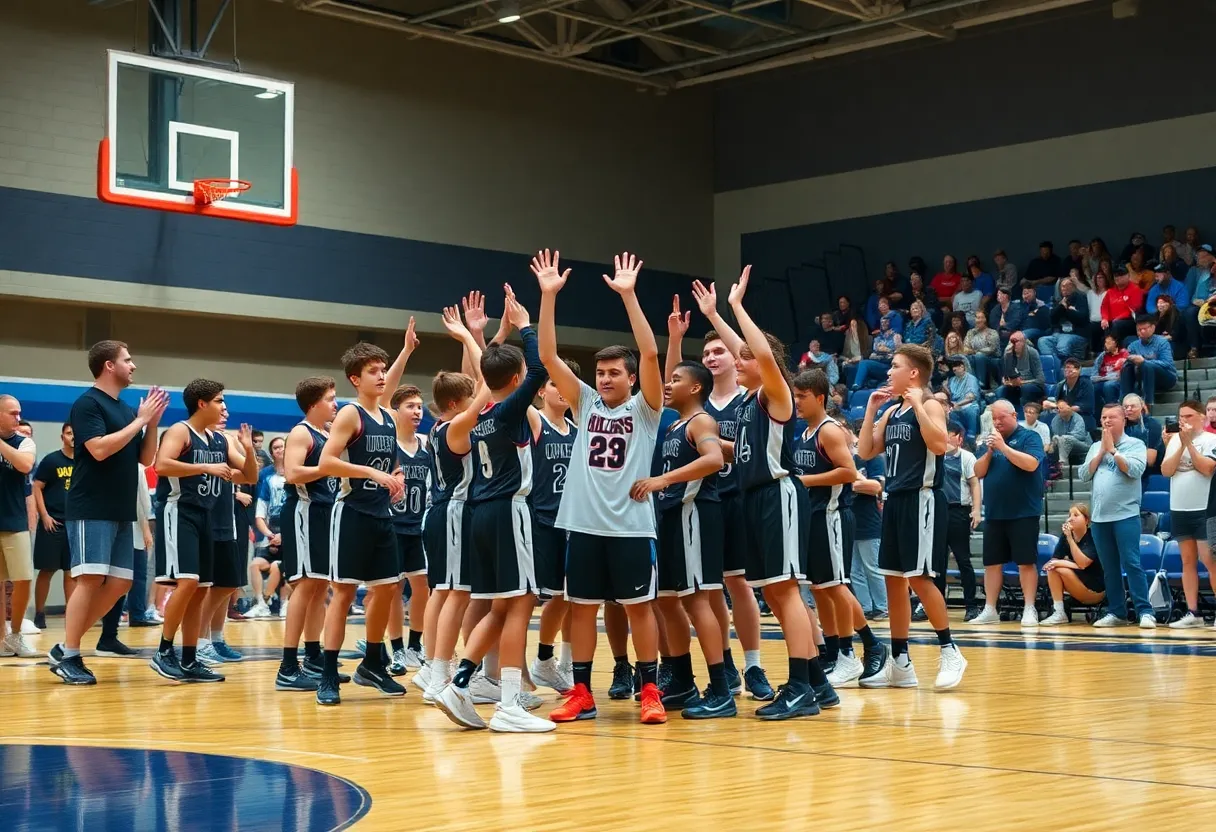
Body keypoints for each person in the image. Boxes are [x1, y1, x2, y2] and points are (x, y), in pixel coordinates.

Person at [536, 251, 668, 725]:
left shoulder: (645, 410)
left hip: (632, 527)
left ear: (632, 380)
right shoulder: (585, 404)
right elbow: (548, 355)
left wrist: (629, 296)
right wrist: (548, 297)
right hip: (585, 526)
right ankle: (581, 692)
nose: (605, 379)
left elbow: (651, 352)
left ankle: (649, 688)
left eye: (615, 373)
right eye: (601, 373)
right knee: (581, 610)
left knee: (639, 610)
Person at [708, 266, 838, 718]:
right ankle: (817, 683)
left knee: (785, 593)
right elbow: (744, 351)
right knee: (777, 594)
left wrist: (738, 306)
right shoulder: (746, 401)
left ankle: (802, 685)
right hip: (753, 500)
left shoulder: (775, 394)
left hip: (778, 494)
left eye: (742, 358)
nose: (736, 360)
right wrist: (716, 313)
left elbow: (759, 354)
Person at [668, 293, 773, 699]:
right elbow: (670, 380)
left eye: (719, 351)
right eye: (706, 352)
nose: (712, 357)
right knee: (708, 588)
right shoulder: (697, 404)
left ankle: (754, 664)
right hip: (705, 503)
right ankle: (724, 664)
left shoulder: (750, 397)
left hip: (741, 500)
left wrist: (715, 313)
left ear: (735, 356)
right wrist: (676, 338)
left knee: (739, 583)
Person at [50, 341, 169, 685]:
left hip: (120, 509)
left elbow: (145, 459)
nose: (133, 366)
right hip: (91, 507)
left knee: (119, 583)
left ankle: (64, 647)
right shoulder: (87, 403)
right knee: (88, 580)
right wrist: (140, 421)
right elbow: (99, 450)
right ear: (108, 365)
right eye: (127, 360)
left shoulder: (128, 409)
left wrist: (150, 424)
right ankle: (71, 654)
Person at [630, 359, 737, 719]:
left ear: (695, 388)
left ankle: (722, 688)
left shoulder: (702, 421)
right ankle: (682, 680)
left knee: (695, 602)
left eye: (676, 379)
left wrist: (664, 480)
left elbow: (713, 460)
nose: (668, 384)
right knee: (665, 602)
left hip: (694, 514)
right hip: (670, 518)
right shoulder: (674, 425)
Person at [857, 343, 966, 690]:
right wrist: (873, 411)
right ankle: (901, 660)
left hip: (923, 499)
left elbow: (939, 446)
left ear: (914, 373)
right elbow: (865, 450)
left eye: (895, 365)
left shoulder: (931, 404)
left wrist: (919, 402)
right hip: (894, 499)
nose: (889, 371)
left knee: (920, 579)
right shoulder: (891, 411)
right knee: (893, 581)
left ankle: (950, 650)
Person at [315, 343, 409, 705]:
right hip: (351, 512)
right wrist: (370, 472)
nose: (382, 375)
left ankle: (372, 662)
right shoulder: (350, 414)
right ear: (356, 379)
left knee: (387, 590)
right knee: (342, 593)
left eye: (384, 369)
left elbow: (390, 463)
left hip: (381, 514)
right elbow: (326, 462)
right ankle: (327, 672)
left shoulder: (388, 417)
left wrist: (395, 479)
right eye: (374, 370)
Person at [149, 381, 258, 683]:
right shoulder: (180, 431)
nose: (225, 407)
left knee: (201, 590)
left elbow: (249, 476)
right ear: (201, 404)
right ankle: (163, 651)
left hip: (206, 517)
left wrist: (248, 450)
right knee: (188, 583)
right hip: (179, 512)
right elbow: (161, 465)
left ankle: (188, 658)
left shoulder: (220, 440)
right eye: (219, 401)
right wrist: (205, 468)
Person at [791, 370, 887, 691]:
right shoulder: (804, 433)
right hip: (813, 516)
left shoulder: (829, 431)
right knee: (820, 589)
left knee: (836, 586)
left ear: (819, 398)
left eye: (802, 396)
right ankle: (834, 653)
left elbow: (848, 473)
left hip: (833, 516)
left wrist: (803, 481)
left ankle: (863, 647)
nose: (796, 402)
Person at [274, 376, 340, 692]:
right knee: (304, 585)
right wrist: (328, 468)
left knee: (319, 585)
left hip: (325, 513)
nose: (335, 403)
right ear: (314, 404)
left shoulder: (325, 434)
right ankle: (288, 665)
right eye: (330, 398)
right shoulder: (301, 432)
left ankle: (313, 656)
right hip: (305, 510)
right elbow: (292, 472)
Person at [526, 359, 579, 696]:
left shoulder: (578, 430)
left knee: (571, 598)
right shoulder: (536, 420)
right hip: (538, 520)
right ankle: (503, 672)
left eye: (567, 383)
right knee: (527, 598)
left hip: (572, 523)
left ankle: (557, 662)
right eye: (555, 383)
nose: (561, 389)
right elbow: (501, 386)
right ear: (542, 390)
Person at [970, 401, 1046, 628]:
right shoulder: (990, 441)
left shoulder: (1029, 438)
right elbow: (978, 471)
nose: (997, 422)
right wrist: (991, 451)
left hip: (1024, 511)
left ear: (1014, 415)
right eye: (993, 419)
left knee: (1026, 562)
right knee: (992, 563)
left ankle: (1029, 608)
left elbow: (1031, 464)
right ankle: (990, 608)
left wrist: (1003, 447)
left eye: (1001, 418)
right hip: (994, 512)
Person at [1079, 403, 1155, 629]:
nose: (1107, 421)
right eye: (1103, 417)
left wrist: (1113, 450)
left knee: (1132, 563)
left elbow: (1135, 470)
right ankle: (1117, 612)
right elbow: (1084, 474)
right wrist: (1102, 450)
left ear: (1123, 420)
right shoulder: (1094, 447)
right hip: (1100, 517)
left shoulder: (1135, 444)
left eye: (1112, 417)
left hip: (1126, 514)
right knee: (1109, 567)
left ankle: (1145, 611)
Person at [1160, 401, 1216, 629]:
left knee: (1210, 561)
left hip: (1204, 509)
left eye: (1189, 416)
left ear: (1203, 417)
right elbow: (1166, 470)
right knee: (1187, 561)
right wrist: (1180, 444)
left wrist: (1189, 446)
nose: (1184, 420)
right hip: (1179, 508)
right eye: (1181, 416)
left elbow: (1207, 468)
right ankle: (1193, 612)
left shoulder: (1211, 440)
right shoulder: (1174, 440)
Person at [0, 395, 38, 658]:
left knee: (24, 578)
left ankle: (16, 634)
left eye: (19, 413)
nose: (17, 417)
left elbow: (25, 465)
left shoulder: (24, 441)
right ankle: (2, 638)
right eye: (12, 413)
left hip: (15, 521)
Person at [32, 422, 73, 631]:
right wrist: (44, 515)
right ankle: (39, 613)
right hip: (52, 522)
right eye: (68, 433)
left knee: (71, 572)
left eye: (76, 433)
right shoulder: (52, 460)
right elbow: (37, 487)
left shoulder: (85, 462)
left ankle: (72, 613)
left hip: (74, 524)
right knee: (47, 570)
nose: (73, 436)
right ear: (62, 437)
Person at [938, 423, 980, 620]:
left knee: (963, 560)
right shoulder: (933, 455)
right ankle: (936, 605)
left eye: (949, 435)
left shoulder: (966, 457)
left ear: (959, 438)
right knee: (937, 563)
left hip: (958, 511)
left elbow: (974, 484)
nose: (945, 439)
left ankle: (971, 605)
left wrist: (976, 510)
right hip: (937, 511)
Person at [1038, 504, 1104, 625]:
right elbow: (1053, 562)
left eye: (1076, 515)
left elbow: (1084, 563)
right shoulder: (1065, 537)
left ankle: (1060, 611)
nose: (1071, 518)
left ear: (1086, 520)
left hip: (1096, 589)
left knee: (1060, 569)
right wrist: (1063, 561)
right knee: (1053, 569)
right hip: (1076, 585)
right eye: (1069, 515)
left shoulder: (1093, 536)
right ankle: (1058, 612)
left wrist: (1069, 540)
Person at [848, 422, 887, 620]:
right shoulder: (843, 458)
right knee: (854, 570)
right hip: (849, 520)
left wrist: (849, 483)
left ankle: (881, 606)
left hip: (869, 520)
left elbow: (876, 487)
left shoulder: (874, 459)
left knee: (873, 568)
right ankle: (865, 607)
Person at [248, 437, 287, 617]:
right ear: (271, 453)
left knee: (278, 566)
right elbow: (260, 514)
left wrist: (285, 536)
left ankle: (281, 602)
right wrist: (270, 535)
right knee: (255, 564)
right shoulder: (267, 478)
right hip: (272, 532)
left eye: (283, 446)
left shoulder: (296, 474)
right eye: (276, 447)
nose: (280, 450)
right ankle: (261, 603)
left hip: (291, 532)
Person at [1121, 315, 1176, 405]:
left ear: (1153, 328)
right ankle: (1124, 401)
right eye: (1139, 329)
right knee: (1127, 366)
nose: (1141, 332)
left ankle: (1148, 403)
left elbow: (1167, 364)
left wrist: (1144, 361)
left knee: (1146, 365)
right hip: (1143, 376)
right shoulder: (1133, 345)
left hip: (1166, 376)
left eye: (1144, 329)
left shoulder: (1162, 342)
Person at [1038, 276, 1090, 361]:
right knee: (1043, 341)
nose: (1064, 288)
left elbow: (1082, 319)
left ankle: (1062, 367)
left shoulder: (1081, 298)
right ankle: (1054, 364)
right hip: (1059, 334)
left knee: (1063, 344)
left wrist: (1068, 311)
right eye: (1062, 286)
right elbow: (1052, 319)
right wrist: (1061, 307)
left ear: (1073, 286)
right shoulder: (1060, 301)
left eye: (1068, 285)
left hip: (1076, 334)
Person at [995, 331, 1046, 410]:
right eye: (1011, 342)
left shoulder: (1032, 352)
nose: (1013, 345)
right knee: (1001, 390)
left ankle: (1024, 416)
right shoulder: (1008, 353)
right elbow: (1005, 375)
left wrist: (1021, 383)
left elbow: (1041, 380)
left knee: (1025, 388)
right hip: (1015, 386)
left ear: (1023, 342)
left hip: (1033, 386)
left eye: (1015, 341)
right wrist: (1005, 381)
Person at [1100, 267, 1143, 346]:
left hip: (1130, 321)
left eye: (1120, 275)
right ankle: (1107, 349)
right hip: (1113, 321)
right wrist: (1105, 319)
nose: (1117, 278)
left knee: (1116, 324)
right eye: (1115, 276)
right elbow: (1104, 306)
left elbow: (1134, 309)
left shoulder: (1135, 289)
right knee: (1105, 325)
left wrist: (1117, 318)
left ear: (1128, 276)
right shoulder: (1111, 291)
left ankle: (1116, 349)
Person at [963, 310, 1001, 389]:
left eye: (981, 318)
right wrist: (972, 352)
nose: (978, 320)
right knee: (967, 358)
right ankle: (972, 383)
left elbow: (992, 349)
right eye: (977, 318)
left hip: (991, 358)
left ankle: (981, 382)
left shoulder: (992, 332)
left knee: (979, 356)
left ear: (986, 319)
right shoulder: (970, 332)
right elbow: (965, 348)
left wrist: (975, 351)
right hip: (974, 356)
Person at [944, 357, 981, 437]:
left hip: (968, 404)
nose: (954, 368)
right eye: (953, 367)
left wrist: (958, 404)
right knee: (947, 411)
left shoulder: (971, 379)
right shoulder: (952, 380)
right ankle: (954, 435)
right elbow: (950, 395)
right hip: (954, 405)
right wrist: (945, 387)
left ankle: (971, 436)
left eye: (956, 366)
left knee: (971, 409)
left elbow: (971, 397)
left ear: (962, 367)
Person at [1092, 334, 1129, 407]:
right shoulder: (1103, 356)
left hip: (1118, 380)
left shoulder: (1124, 353)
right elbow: (1096, 368)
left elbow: (1126, 367)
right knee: (1093, 387)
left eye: (1108, 343)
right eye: (1105, 343)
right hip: (1104, 379)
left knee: (1108, 385)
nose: (1106, 345)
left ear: (1115, 342)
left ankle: (1112, 408)